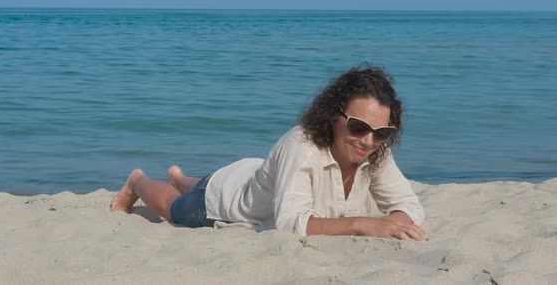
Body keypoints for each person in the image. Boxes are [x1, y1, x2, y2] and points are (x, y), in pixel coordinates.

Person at [111, 64, 426, 240]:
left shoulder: (375, 152)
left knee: (200, 184)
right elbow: (291, 224)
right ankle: (138, 181)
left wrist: (395, 222)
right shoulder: (301, 145)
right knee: (174, 208)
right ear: (335, 116)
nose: (368, 141)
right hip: (224, 198)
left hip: (257, 175)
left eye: (382, 133)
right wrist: (365, 224)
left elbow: (410, 206)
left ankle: (180, 176)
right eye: (358, 127)